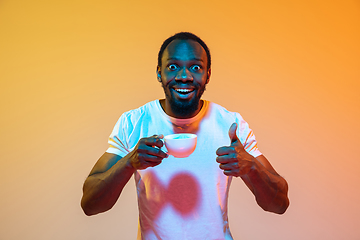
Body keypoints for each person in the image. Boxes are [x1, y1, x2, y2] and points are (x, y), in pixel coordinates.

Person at [81, 32, 289, 240]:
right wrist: (130, 162)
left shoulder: (230, 124)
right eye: (173, 67)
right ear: (159, 73)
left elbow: (279, 204)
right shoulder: (134, 122)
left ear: (207, 74)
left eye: (195, 67)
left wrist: (251, 167)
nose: (184, 76)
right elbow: (90, 204)